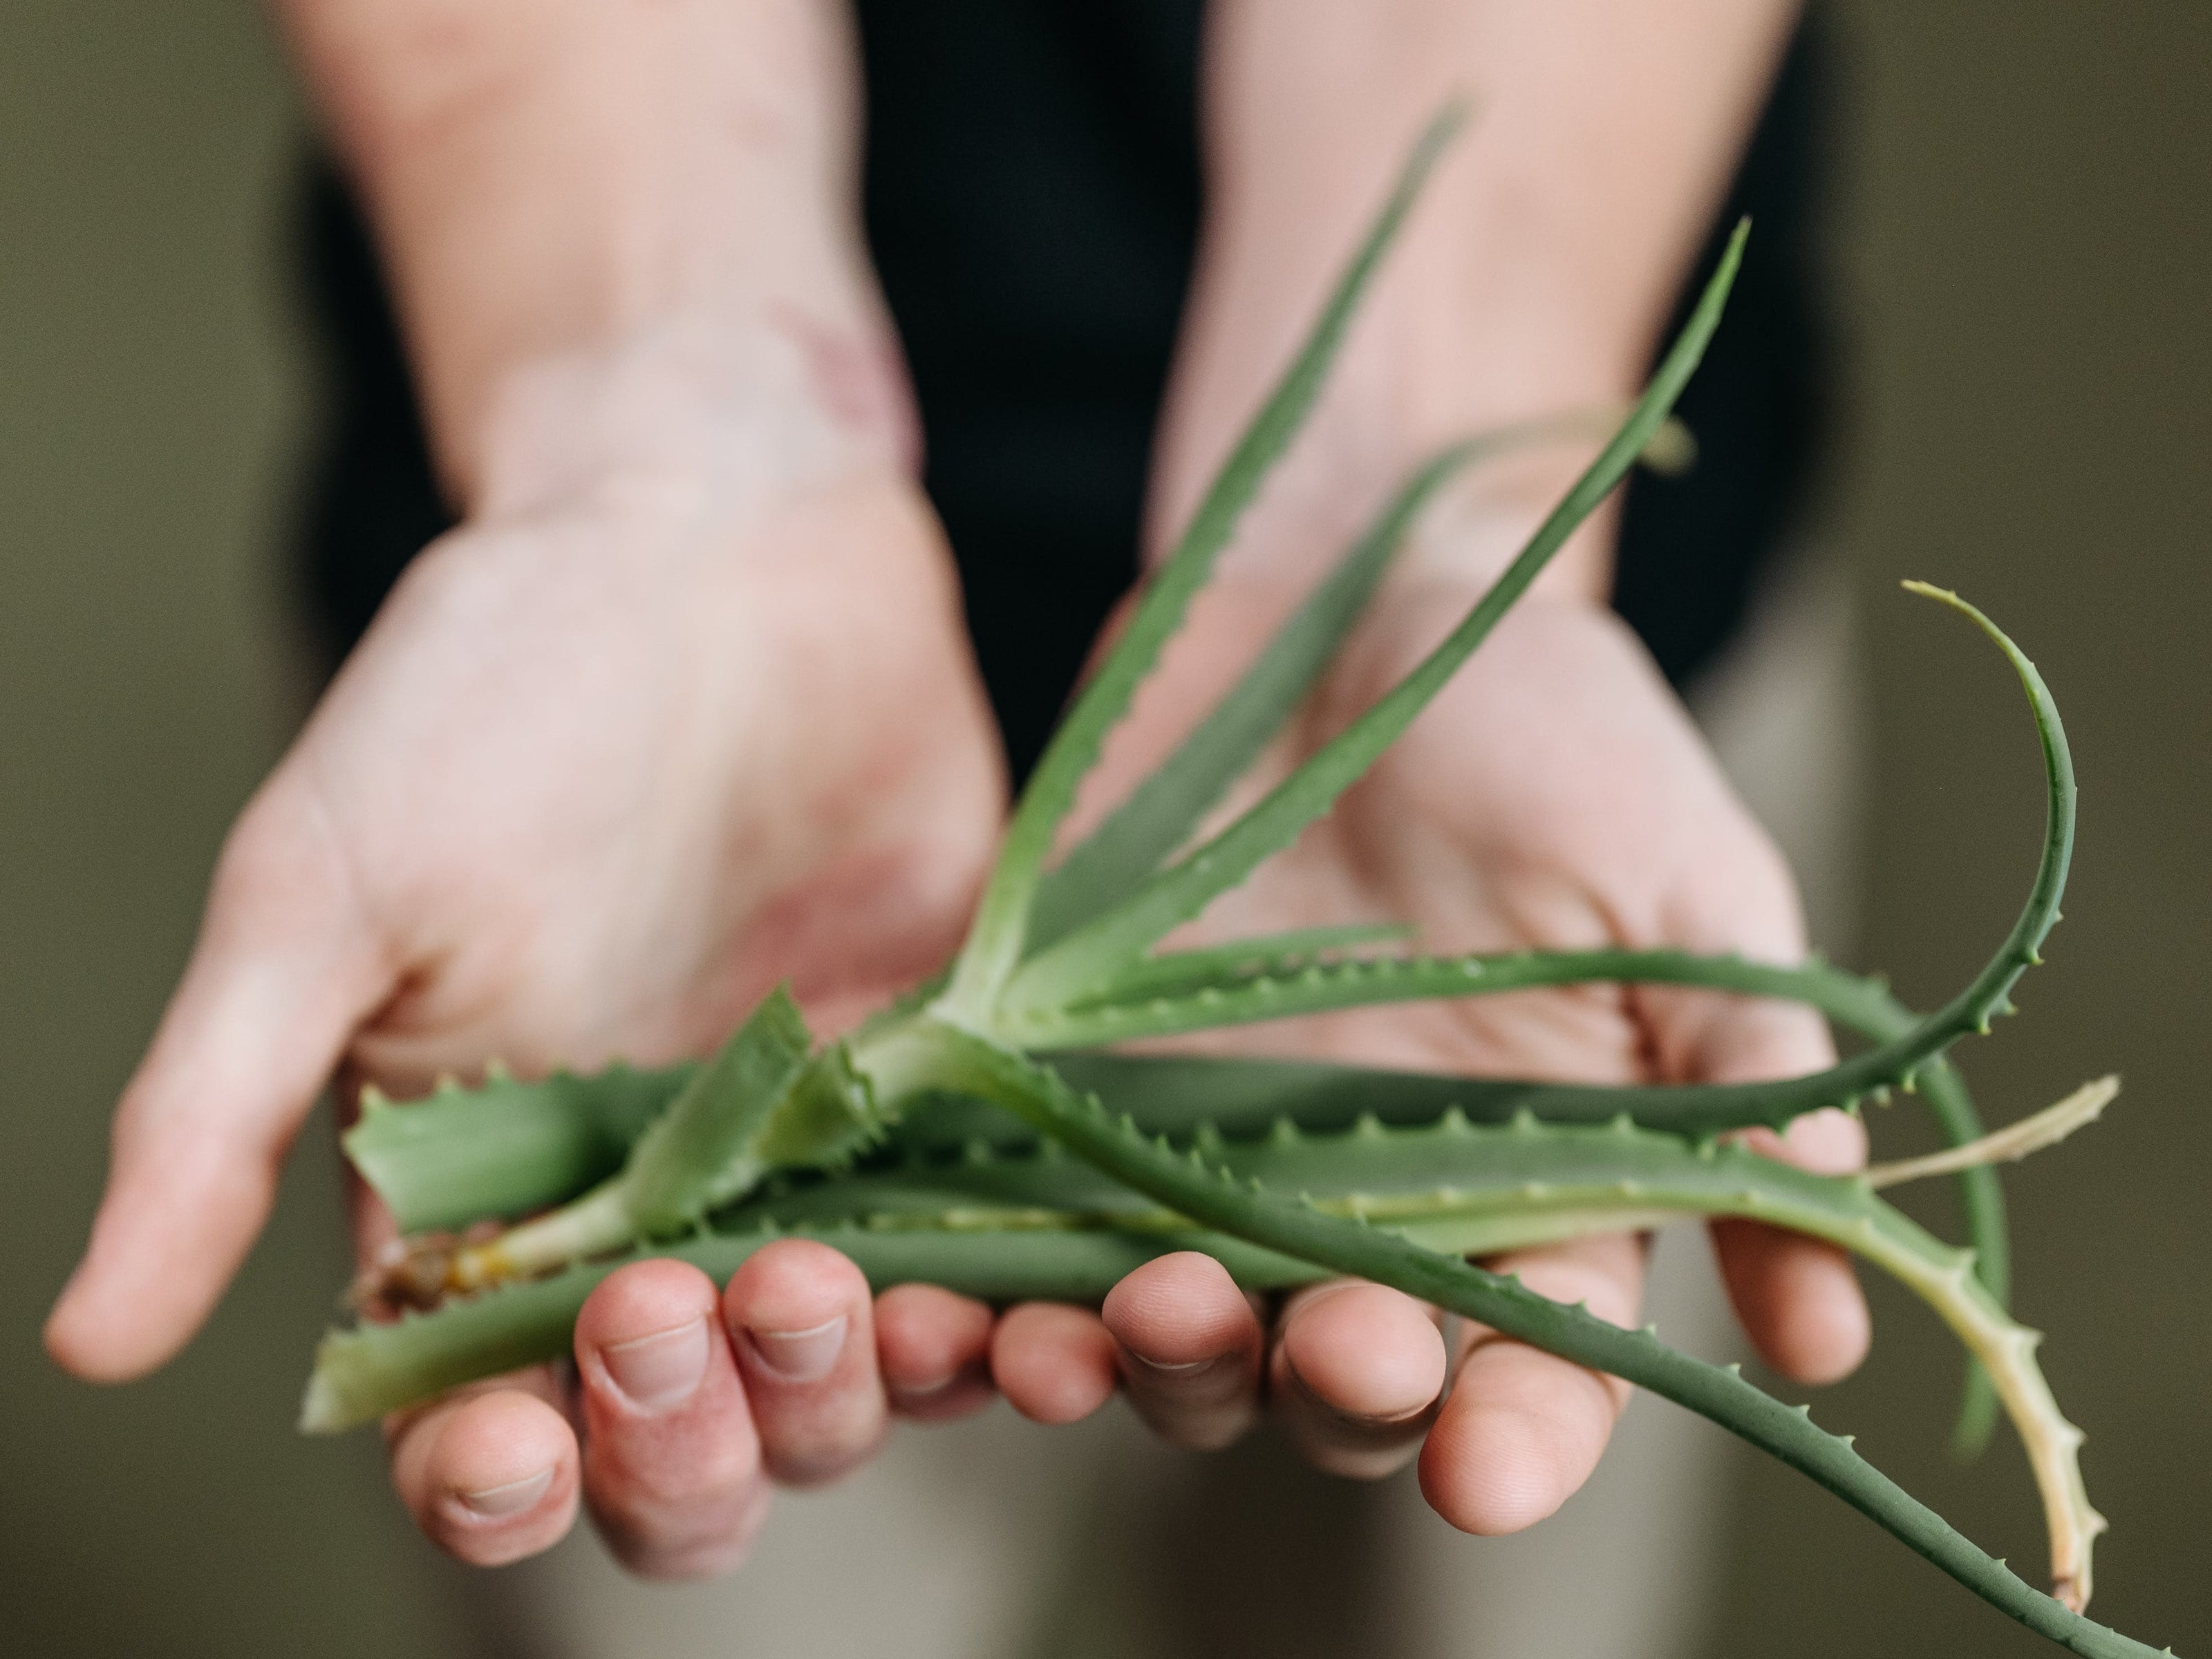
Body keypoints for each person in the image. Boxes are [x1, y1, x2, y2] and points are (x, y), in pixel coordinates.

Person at [45, 0, 1867, 1643]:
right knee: (680, 1471)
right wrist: (647, 429)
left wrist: (1428, 498)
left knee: (1447, 1513)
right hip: (634, 791)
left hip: (1474, 758)